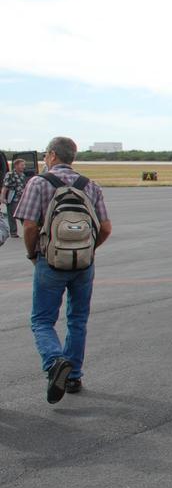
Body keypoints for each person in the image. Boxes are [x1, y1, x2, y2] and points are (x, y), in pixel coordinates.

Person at [14, 137, 112, 402]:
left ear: (53, 155)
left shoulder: (38, 183)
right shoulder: (90, 185)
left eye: (47, 154)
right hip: (84, 263)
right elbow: (105, 228)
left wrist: (33, 253)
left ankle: (55, 361)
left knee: (42, 320)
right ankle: (73, 375)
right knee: (77, 320)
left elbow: (29, 226)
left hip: (51, 261)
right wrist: (88, 251)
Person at [4, 156, 29, 234]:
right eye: (22, 165)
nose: (24, 167)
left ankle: (27, 231)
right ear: (16, 165)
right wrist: (2, 197)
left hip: (21, 198)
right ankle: (13, 232)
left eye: (24, 165)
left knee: (23, 215)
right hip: (12, 198)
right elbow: (5, 186)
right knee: (12, 216)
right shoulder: (10, 174)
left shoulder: (22, 175)